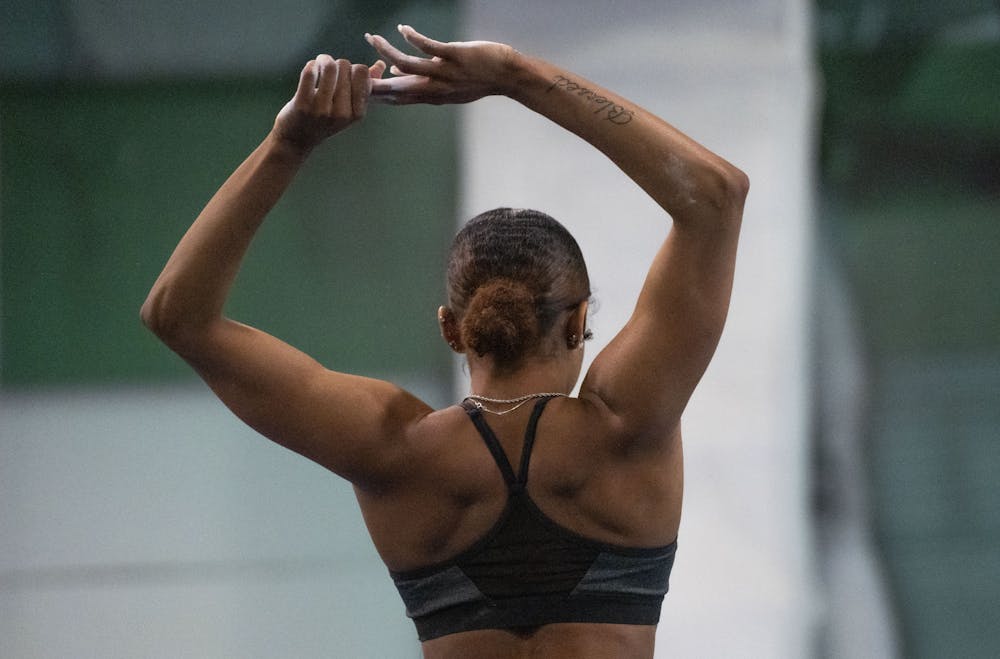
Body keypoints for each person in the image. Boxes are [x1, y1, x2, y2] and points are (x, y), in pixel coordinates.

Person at [141, 25, 748, 659]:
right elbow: (716, 197)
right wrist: (517, 77)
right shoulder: (626, 423)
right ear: (576, 323)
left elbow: (177, 316)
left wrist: (288, 142)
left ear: (451, 329)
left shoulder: (393, 451)